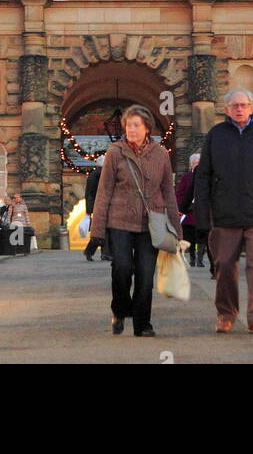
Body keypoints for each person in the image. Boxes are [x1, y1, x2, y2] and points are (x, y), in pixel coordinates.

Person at [194, 89, 253, 335]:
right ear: (226, 110)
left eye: (244, 105)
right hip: (225, 214)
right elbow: (203, 177)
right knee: (224, 266)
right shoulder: (216, 135)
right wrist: (202, 216)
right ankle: (226, 314)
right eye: (234, 105)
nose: (239, 109)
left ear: (252, 108)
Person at [89, 104, 181, 338]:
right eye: (128, 125)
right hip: (119, 221)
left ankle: (143, 323)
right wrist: (97, 230)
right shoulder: (115, 152)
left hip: (151, 223)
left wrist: (177, 231)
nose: (131, 129)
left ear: (147, 128)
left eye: (136, 125)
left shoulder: (161, 154)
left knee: (145, 274)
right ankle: (120, 310)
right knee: (121, 267)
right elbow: (104, 191)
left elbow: (168, 192)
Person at [175, 152, 203, 268]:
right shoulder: (186, 177)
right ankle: (192, 257)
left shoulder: (205, 176)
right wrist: (182, 208)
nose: (196, 165)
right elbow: (180, 193)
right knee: (190, 237)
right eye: (194, 163)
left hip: (201, 212)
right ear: (191, 164)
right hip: (189, 212)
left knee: (202, 236)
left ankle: (200, 259)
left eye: (198, 163)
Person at [83, 163, 111, 261]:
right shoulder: (102, 175)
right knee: (104, 230)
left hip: (98, 206)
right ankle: (104, 253)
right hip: (101, 205)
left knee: (101, 231)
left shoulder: (94, 175)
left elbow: (89, 194)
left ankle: (93, 251)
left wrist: (89, 210)